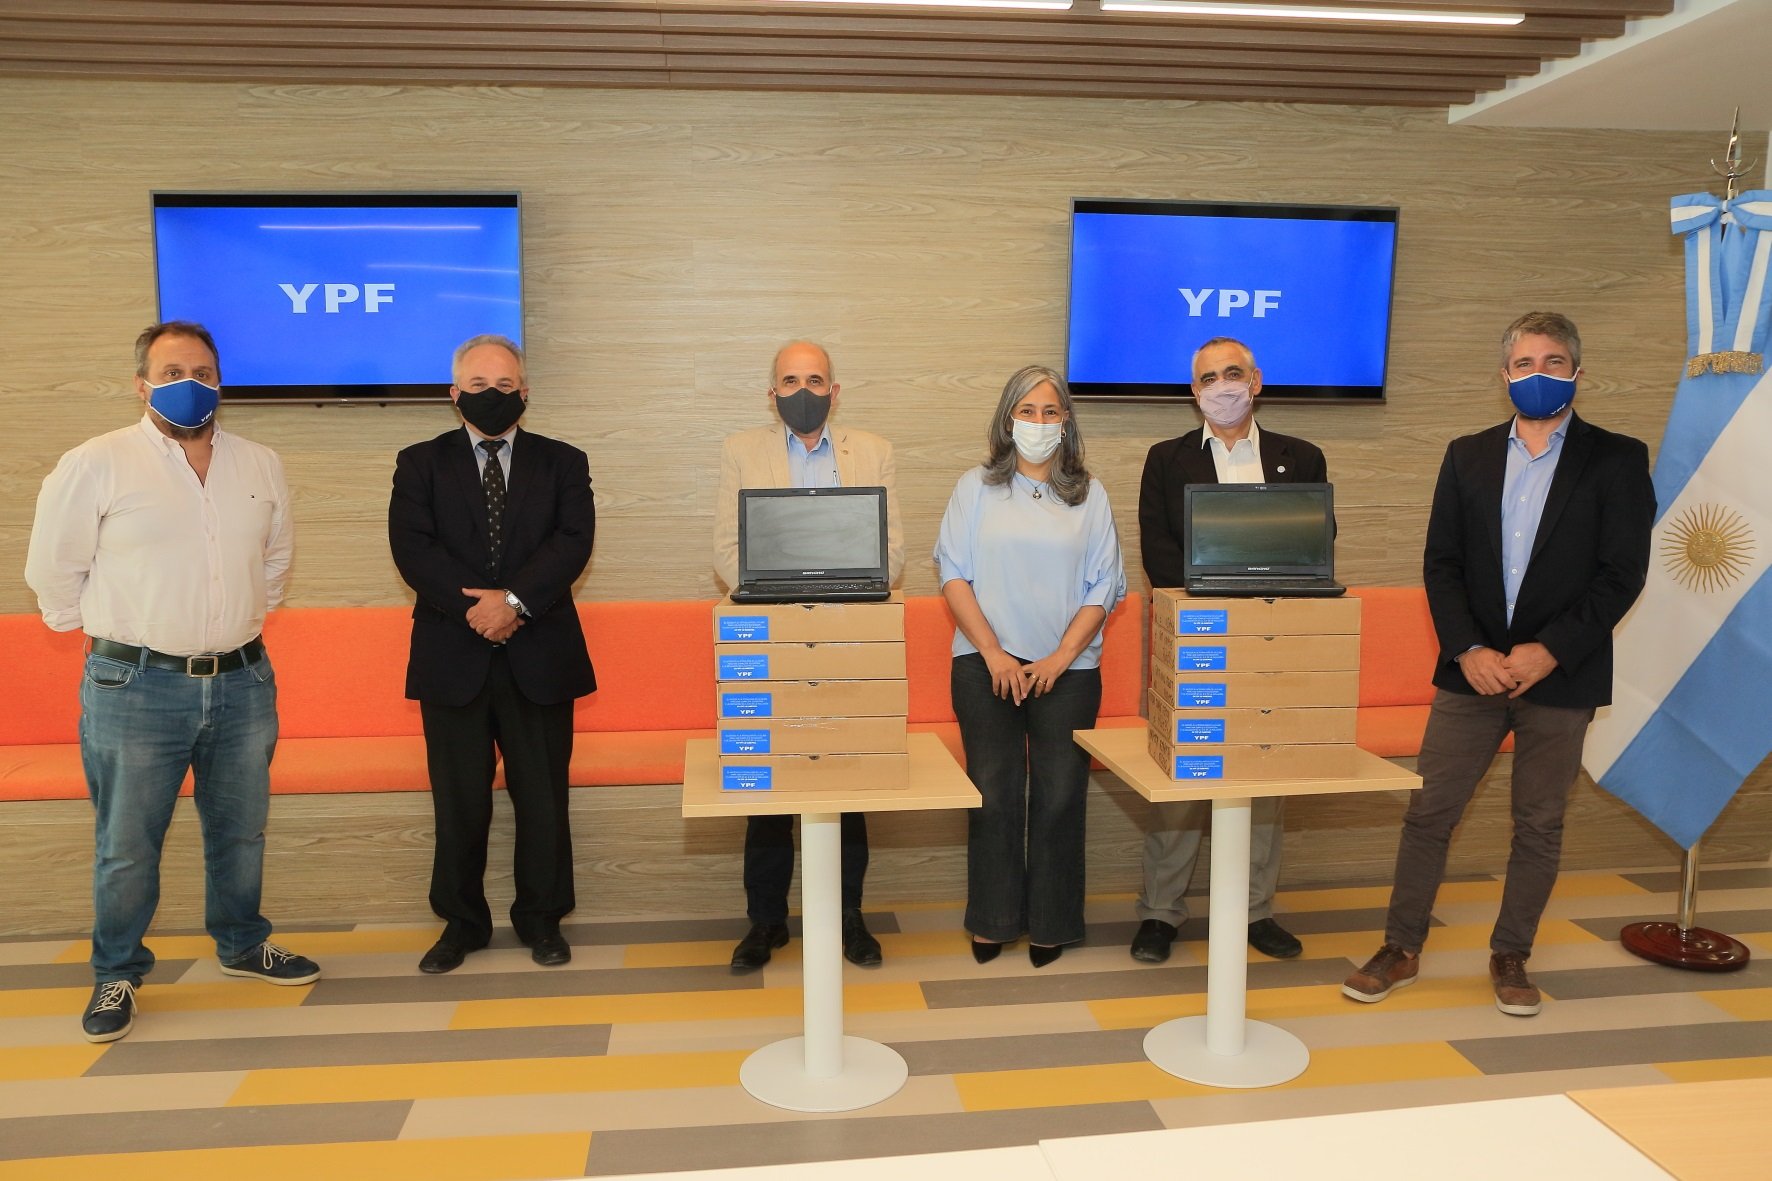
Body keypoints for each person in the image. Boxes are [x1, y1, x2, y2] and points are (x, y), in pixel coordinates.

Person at [1343, 312, 1654, 1016]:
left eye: (1552, 362)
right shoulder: (1467, 455)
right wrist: (1468, 648)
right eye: (1524, 363)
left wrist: (1551, 649)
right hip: (1471, 672)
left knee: (1539, 823)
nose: (1538, 374)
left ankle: (1512, 953)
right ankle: (1401, 946)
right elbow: (1441, 564)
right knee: (1429, 813)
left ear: (1577, 372)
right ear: (1504, 375)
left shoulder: (1617, 458)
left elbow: (1622, 573)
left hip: (1562, 674)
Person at [25, 321, 320, 1044]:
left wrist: (228, 623)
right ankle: (117, 971)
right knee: (128, 843)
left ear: (221, 382)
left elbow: (275, 562)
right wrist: (118, 634)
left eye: (204, 372)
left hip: (244, 679)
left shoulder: (259, 463)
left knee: (241, 830)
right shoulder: (97, 462)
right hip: (135, 685)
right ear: (141, 384)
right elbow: (53, 571)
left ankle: (243, 943)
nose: (191, 383)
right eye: (172, 371)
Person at [389, 334, 597, 975]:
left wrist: (513, 603)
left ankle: (543, 920)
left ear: (525, 393)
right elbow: (413, 549)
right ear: (454, 395)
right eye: (478, 386)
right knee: (459, 804)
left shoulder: (564, 461)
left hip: (541, 653)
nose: (492, 396)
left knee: (543, 800)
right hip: (453, 656)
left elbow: (573, 543)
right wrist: (478, 611)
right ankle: (461, 924)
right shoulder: (418, 463)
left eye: (505, 386)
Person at [1129, 337, 1326, 965]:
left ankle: (1254, 911)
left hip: (1272, 641)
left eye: (1232, 374)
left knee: (1263, 776)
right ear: (1194, 392)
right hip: (1198, 637)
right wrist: (1222, 598)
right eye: (1209, 378)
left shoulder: (1302, 457)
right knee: (1186, 774)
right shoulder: (1166, 459)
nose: (1222, 387)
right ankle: (1161, 911)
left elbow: (1313, 548)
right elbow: (1159, 553)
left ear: (1256, 381)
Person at [713, 340, 905, 972]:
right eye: (791, 381)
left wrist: (830, 599)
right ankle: (766, 922)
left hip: (850, 642)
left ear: (834, 391)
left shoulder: (872, 451)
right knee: (769, 786)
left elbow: (893, 555)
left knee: (846, 782)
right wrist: (794, 598)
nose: (804, 391)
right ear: (772, 394)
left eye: (815, 380)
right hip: (772, 643)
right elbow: (727, 553)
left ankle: (848, 917)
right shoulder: (742, 450)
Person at [936, 365, 1126, 968]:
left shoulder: (1090, 495)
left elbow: (1105, 586)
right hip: (985, 665)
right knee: (993, 794)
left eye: (1049, 411)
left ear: (1066, 421)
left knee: (1060, 797)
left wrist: (1061, 658)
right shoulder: (974, 488)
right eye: (1026, 411)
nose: (1038, 422)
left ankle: (1051, 922)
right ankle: (993, 920)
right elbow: (953, 574)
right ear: (1007, 420)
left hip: (1067, 671)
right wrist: (995, 652)